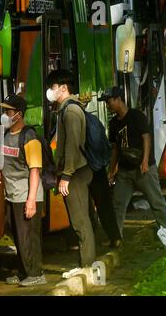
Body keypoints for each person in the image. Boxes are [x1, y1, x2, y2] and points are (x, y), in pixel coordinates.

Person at [100, 86, 166, 240]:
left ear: (118, 99)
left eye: (109, 102)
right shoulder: (113, 123)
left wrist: (145, 161)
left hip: (143, 169)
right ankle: (116, 239)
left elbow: (146, 138)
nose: (108, 106)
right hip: (125, 171)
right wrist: (111, 170)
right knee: (118, 205)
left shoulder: (136, 116)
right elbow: (115, 148)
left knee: (157, 203)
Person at [0, 94, 47, 287]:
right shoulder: (7, 136)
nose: (5, 114)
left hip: (27, 195)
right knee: (17, 235)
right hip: (12, 195)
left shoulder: (29, 137)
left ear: (18, 114)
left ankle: (36, 273)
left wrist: (31, 200)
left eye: (9, 111)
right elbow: (4, 160)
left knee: (28, 237)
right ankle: (24, 271)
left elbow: (35, 170)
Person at [46, 69, 95, 268]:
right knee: (80, 220)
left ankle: (87, 266)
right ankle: (86, 263)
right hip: (74, 172)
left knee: (80, 221)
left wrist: (66, 175)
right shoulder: (65, 109)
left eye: (53, 87)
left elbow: (72, 146)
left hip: (75, 174)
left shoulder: (71, 111)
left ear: (63, 88)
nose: (50, 91)